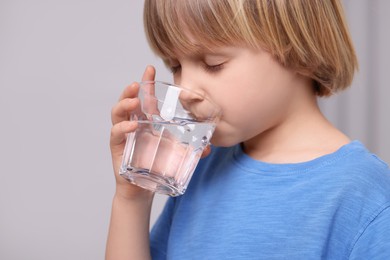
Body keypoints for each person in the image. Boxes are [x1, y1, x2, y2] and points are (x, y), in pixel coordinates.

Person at [106, 0, 390, 259]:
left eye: (212, 64)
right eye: (175, 65)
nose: (185, 90)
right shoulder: (203, 165)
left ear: (299, 51)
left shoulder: (365, 196)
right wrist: (133, 197)